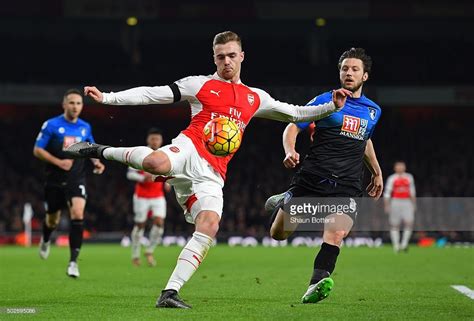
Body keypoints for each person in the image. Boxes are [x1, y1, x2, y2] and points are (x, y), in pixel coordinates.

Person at [64, 31, 352, 308]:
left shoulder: (255, 97)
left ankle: (169, 292)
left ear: (242, 56)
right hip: (188, 148)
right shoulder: (198, 84)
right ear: (214, 59)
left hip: (213, 173)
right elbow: (154, 94)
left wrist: (330, 107)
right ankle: (98, 149)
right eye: (220, 57)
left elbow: (295, 112)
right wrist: (109, 98)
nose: (226, 61)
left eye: (231, 56)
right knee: (155, 163)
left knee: (210, 225)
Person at [265, 48, 383, 304]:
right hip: (314, 177)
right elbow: (293, 125)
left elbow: (365, 140)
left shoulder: (373, 110)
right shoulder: (325, 100)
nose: (348, 73)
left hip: (348, 184)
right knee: (279, 234)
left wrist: (376, 171)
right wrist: (290, 150)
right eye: (344, 69)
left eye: (354, 69)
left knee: (336, 233)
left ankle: (314, 286)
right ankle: (286, 203)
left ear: (365, 76)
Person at [34, 88, 105, 278]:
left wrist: (96, 162)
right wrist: (59, 162)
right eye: (72, 103)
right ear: (64, 104)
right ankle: (46, 238)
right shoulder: (51, 125)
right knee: (52, 220)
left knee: (78, 213)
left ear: (82, 106)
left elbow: (90, 147)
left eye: (79, 103)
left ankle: (73, 262)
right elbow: (37, 150)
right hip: (54, 178)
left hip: (77, 177)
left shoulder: (85, 127)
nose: (75, 107)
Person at [127, 127, 171, 266]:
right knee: (140, 224)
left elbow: (168, 171)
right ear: (148, 140)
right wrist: (142, 178)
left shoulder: (164, 154)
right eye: (152, 139)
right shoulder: (141, 153)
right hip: (141, 196)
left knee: (159, 223)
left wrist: (168, 182)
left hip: (157, 195)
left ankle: (149, 251)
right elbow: (129, 174)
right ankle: (135, 254)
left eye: (157, 139)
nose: (155, 141)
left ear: (161, 140)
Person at [384, 161, 416, 252]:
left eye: (402, 166)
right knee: (394, 224)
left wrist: (414, 204)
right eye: (398, 166)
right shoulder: (392, 178)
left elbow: (412, 191)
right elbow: (387, 193)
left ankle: (404, 244)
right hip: (395, 202)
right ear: (395, 168)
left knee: (409, 223)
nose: (400, 168)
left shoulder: (409, 177)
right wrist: (387, 205)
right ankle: (396, 246)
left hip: (407, 202)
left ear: (404, 168)